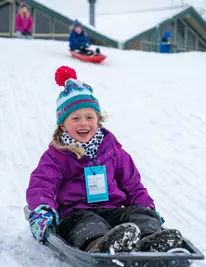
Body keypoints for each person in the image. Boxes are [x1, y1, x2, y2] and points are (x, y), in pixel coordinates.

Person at [26, 66, 183, 254]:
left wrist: (148, 208)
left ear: (98, 121)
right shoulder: (56, 156)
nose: (83, 123)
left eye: (89, 117)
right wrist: (43, 210)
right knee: (88, 223)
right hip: (76, 214)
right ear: (63, 125)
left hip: (112, 212)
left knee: (139, 215)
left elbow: (133, 185)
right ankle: (100, 245)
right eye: (75, 118)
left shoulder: (114, 152)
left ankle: (150, 241)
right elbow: (42, 184)